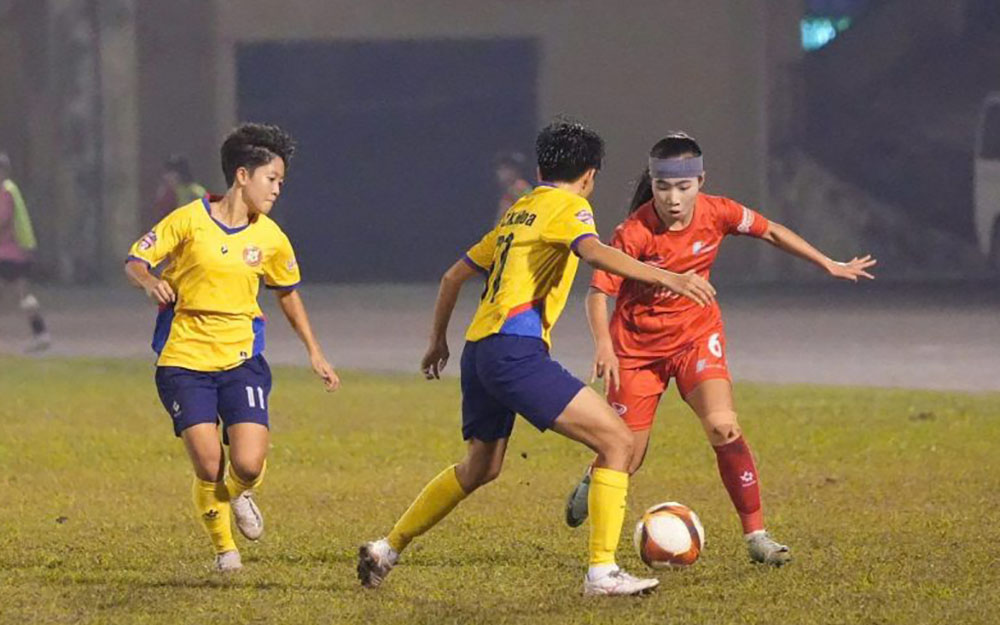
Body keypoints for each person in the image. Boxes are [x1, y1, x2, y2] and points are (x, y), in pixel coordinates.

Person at [357, 120, 717, 596]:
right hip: (514, 352)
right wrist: (667, 277)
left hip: (479, 350)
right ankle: (602, 571)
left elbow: (450, 278)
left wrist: (437, 342)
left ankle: (387, 548)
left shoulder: (518, 212)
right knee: (617, 441)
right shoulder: (570, 206)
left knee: (480, 467)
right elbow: (593, 253)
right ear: (589, 174)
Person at [563, 132, 877, 565]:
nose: (673, 199)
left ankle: (757, 537)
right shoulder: (634, 232)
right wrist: (604, 344)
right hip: (637, 352)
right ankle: (593, 478)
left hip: (695, 338)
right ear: (652, 184)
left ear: (700, 181)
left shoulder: (719, 212)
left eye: (684, 187)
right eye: (663, 187)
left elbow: (771, 232)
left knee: (724, 426)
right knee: (627, 456)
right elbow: (598, 293)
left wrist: (828, 262)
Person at [125, 124, 340, 572]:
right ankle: (225, 551)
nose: (278, 189)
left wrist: (314, 352)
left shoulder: (271, 238)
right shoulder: (189, 219)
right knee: (208, 465)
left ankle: (241, 493)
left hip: (242, 360)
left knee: (246, 462)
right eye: (272, 179)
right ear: (242, 175)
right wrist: (151, 282)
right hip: (184, 360)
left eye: (281, 181)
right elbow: (136, 260)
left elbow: (287, 292)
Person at [0, 152, 51, 352]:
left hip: (7, 253)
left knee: (22, 295)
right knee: (24, 295)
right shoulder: (11, 189)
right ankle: (41, 333)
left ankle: (41, 334)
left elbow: (3, 219)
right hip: (19, 251)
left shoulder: (4, 191)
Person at [154, 154, 208, 222]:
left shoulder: (195, 191)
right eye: (167, 173)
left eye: (173, 173)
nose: (167, 177)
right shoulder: (166, 192)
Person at [492, 150, 534, 223]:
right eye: (499, 169)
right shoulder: (506, 191)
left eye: (505, 168)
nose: (501, 172)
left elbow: (532, 208)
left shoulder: (520, 187)